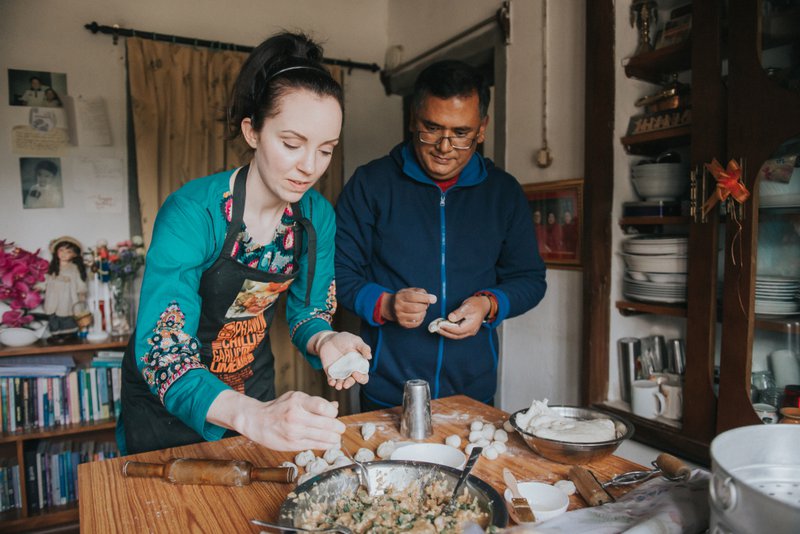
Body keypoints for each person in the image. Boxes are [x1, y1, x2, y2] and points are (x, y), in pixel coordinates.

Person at [118, 31, 371, 455]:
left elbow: (308, 311)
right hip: (168, 406)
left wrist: (326, 340)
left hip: (252, 391)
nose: (309, 167)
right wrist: (253, 416)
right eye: (292, 144)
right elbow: (163, 349)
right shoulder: (193, 214)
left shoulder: (315, 219)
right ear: (252, 131)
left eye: (326, 150)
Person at [335, 60, 547, 410]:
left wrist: (489, 304)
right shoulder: (371, 184)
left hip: (472, 396)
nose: (444, 147)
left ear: (482, 129)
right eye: (431, 128)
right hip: (388, 393)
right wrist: (385, 304)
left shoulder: (503, 193)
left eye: (461, 133)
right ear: (412, 119)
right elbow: (337, 274)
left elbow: (530, 279)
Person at [44, 236, 88, 338]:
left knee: (66, 315)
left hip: (67, 298)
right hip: (52, 297)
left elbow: (80, 282)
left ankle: (68, 334)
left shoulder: (74, 268)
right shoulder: (53, 267)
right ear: (56, 252)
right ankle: (55, 334)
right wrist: (39, 286)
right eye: (61, 250)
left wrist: (81, 291)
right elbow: (45, 280)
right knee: (53, 315)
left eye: (68, 252)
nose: (64, 254)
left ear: (74, 254)